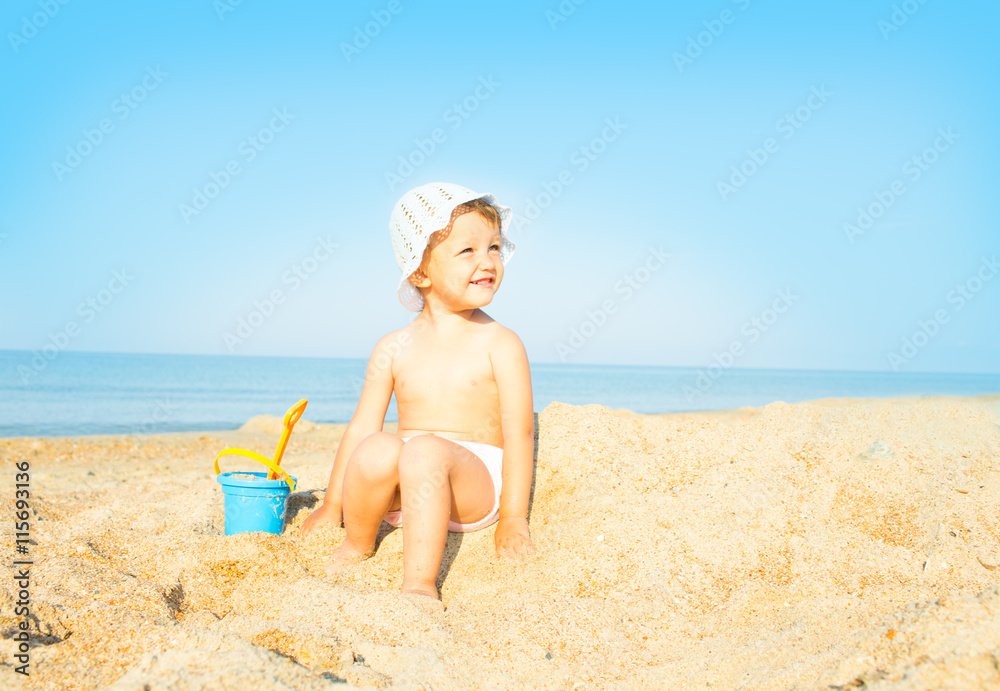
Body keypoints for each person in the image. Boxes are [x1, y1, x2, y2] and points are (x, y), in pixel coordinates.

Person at [301, 182, 535, 599]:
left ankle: (419, 585)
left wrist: (514, 517)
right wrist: (331, 504)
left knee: (425, 450)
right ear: (420, 272)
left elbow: (520, 433)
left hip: (470, 484)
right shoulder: (393, 347)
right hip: (405, 487)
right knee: (375, 447)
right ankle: (358, 543)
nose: (487, 261)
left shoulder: (501, 343)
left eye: (494, 248)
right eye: (468, 251)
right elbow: (360, 430)